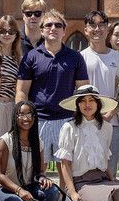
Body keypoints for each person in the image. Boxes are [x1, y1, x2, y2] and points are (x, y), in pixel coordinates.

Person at [16, 10, 90, 165]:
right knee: (36, 167)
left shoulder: (75, 57)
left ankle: (65, 191)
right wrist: (22, 118)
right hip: (38, 120)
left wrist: (82, 119)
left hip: (66, 119)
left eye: (58, 25)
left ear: (64, 31)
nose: (53, 28)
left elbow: (83, 90)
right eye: (48, 25)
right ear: (42, 30)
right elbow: (22, 91)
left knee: (65, 167)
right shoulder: (31, 56)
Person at [55, 85, 119, 201]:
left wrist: (111, 177)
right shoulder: (68, 128)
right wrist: (72, 192)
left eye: (91, 100)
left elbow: (104, 157)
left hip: (101, 178)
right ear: (77, 104)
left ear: (98, 104)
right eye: (83, 101)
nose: (87, 104)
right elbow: (65, 163)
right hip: (80, 181)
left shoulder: (106, 128)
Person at [0, 101, 61, 201]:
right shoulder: (5, 141)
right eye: (21, 114)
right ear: (15, 117)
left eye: (29, 114)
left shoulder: (38, 142)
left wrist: (43, 178)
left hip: (28, 187)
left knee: (52, 191)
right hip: (4, 189)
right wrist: (19, 190)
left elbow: (40, 172)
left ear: (35, 117)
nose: (26, 118)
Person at [80, 10, 119, 175]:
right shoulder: (80, 58)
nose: (97, 29)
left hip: (111, 124)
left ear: (107, 29)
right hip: (85, 123)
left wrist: (110, 112)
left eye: (101, 25)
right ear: (86, 30)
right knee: (85, 170)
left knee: (110, 172)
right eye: (92, 25)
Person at [0, 15, 23, 136]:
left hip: (12, 107)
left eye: (11, 31)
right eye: (3, 31)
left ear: (16, 34)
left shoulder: (19, 59)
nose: (7, 34)